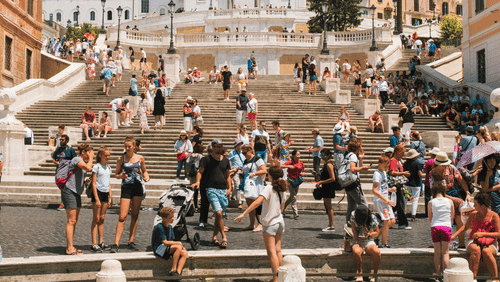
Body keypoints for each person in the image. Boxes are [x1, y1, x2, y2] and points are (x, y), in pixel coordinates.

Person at [235, 166, 287, 282]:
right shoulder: (283, 189)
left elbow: (258, 202)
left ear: (271, 176)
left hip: (270, 224)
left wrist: (244, 214)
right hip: (280, 222)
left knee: (272, 252)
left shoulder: (269, 188)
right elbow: (282, 208)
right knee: (278, 250)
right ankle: (281, 277)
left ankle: (275, 279)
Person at [111, 136, 150, 253]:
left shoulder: (140, 158)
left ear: (134, 146)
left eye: (129, 146)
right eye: (125, 146)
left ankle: (131, 241)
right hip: (126, 187)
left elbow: (144, 170)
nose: (127, 148)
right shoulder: (120, 159)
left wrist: (146, 176)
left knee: (135, 215)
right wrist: (121, 176)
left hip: (137, 187)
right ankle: (116, 243)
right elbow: (116, 174)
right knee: (122, 216)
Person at [191, 139, 232, 248]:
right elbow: (200, 172)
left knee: (220, 217)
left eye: (221, 146)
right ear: (213, 147)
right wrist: (198, 182)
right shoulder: (206, 159)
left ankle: (214, 237)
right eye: (218, 146)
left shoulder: (226, 161)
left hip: (223, 190)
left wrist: (230, 188)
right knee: (218, 213)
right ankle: (224, 237)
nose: (220, 148)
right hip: (211, 189)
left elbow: (228, 175)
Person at [451, 193, 500, 280]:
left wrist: (482, 234)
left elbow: (498, 234)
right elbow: (465, 227)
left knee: (487, 252)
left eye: (476, 204)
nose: (473, 206)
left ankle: (495, 279)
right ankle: (473, 278)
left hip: (491, 241)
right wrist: (454, 236)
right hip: (473, 241)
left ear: (483, 206)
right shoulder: (473, 214)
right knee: (475, 250)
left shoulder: (494, 216)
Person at [430, 151, 471, 247]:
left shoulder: (451, 168)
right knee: (443, 220)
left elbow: (461, 180)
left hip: (453, 193)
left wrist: (467, 193)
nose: (445, 166)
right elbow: (435, 191)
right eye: (443, 165)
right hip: (440, 197)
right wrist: (452, 199)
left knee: (459, 219)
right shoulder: (433, 173)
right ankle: (442, 242)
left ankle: (461, 244)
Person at [62, 143, 94, 255]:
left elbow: (81, 174)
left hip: (77, 192)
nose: (90, 156)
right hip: (69, 191)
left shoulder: (80, 162)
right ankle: (69, 248)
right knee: (71, 220)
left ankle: (71, 245)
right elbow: (88, 168)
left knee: (74, 221)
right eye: (88, 153)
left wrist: (85, 181)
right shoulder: (76, 159)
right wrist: (91, 158)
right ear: (84, 152)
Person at [152, 207, 189, 277]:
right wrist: (178, 244)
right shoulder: (159, 227)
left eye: (173, 217)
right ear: (164, 218)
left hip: (166, 248)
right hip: (158, 249)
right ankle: (173, 269)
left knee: (184, 253)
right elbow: (165, 242)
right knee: (178, 247)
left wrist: (181, 247)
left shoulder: (170, 227)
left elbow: (171, 241)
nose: (173, 219)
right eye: (171, 217)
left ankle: (178, 272)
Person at [428, 182, 454, 278]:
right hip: (446, 227)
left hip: (435, 227)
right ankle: (446, 276)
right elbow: (452, 216)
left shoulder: (431, 202)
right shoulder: (449, 201)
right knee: (445, 253)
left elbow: (430, 217)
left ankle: (438, 275)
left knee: (437, 252)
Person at [239, 144, 267, 232]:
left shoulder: (257, 159)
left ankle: (260, 224)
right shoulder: (245, 160)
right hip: (248, 184)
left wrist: (254, 174)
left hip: (256, 184)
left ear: (250, 150)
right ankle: (252, 224)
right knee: (250, 204)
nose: (244, 154)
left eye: (245, 152)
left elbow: (264, 170)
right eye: (242, 153)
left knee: (257, 203)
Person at [90, 146, 112, 252]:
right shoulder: (96, 167)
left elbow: (109, 183)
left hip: (105, 193)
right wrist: (96, 198)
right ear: (100, 156)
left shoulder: (108, 168)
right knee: (96, 218)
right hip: (98, 192)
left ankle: (101, 241)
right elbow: (93, 183)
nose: (108, 157)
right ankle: (94, 242)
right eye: (106, 155)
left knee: (102, 218)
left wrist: (111, 197)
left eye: (108, 155)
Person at [350, 205, 381, 282]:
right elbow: (354, 230)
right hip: (358, 240)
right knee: (356, 251)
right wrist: (357, 242)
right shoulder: (353, 215)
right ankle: (360, 274)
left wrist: (369, 234)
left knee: (377, 252)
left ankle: (375, 275)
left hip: (369, 240)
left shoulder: (373, 218)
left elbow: (377, 233)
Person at [344, 138, 370, 225]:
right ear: (357, 147)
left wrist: (361, 159)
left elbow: (358, 170)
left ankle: (349, 226)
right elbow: (353, 169)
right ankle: (366, 225)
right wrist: (363, 167)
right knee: (364, 205)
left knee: (351, 207)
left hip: (348, 184)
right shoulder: (353, 156)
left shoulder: (348, 155)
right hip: (354, 185)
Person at [372, 155, 396, 248]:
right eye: (385, 166)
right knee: (386, 221)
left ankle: (376, 236)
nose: (387, 168)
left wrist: (390, 189)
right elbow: (374, 190)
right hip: (381, 201)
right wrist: (386, 200)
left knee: (392, 221)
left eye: (388, 166)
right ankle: (384, 243)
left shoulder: (384, 173)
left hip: (386, 200)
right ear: (379, 164)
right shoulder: (376, 174)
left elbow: (382, 187)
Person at [389, 144, 412, 229]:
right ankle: (402, 223)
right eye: (402, 153)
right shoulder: (393, 161)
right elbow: (392, 172)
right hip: (396, 185)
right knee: (400, 204)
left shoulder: (397, 160)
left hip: (399, 185)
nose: (403, 155)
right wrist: (403, 173)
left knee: (396, 204)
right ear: (398, 152)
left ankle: (384, 219)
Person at [316, 148, 337, 232]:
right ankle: (330, 225)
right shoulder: (326, 164)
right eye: (321, 155)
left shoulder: (329, 165)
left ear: (328, 155)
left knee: (329, 207)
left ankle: (331, 225)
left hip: (328, 187)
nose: (321, 157)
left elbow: (333, 178)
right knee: (327, 206)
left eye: (323, 155)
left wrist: (321, 182)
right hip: (326, 187)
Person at [282, 150, 305, 219]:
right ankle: (295, 213)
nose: (298, 156)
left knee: (292, 197)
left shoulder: (301, 163)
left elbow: (303, 172)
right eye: (297, 155)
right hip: (290, 180)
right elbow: (280, 166)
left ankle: (282, 208)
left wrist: (302, 174)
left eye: (299, 155)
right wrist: (289, 166)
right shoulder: (290, 162)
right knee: (294, 197)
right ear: (293, 156)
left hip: (297, 180)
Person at [403, 149, 424, 221]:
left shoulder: (405, 163)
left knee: (405, 199)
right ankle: (413, 216)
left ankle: (403, 214)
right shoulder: (417, 163)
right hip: (416, 183)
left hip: (407, 183)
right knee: (415, 200)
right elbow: (420, 174)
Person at [228, 140, 246, 210]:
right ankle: (239, 202)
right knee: (237, 185)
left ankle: (233, 195)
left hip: (242, 170)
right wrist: (230, 171)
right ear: (236, 146)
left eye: (241, 144)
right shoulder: (232, 153)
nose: (240, 146)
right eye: (239, 145)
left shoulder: (243, 153)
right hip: (235, 171)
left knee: (238, 186)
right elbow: (228, 162)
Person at [424, 148, 441, 217]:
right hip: (437, 182)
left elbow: (425, 170)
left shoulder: (429, 161)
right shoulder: (439, 161)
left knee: (427, 197)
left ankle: (427, 213)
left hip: (428, 181)